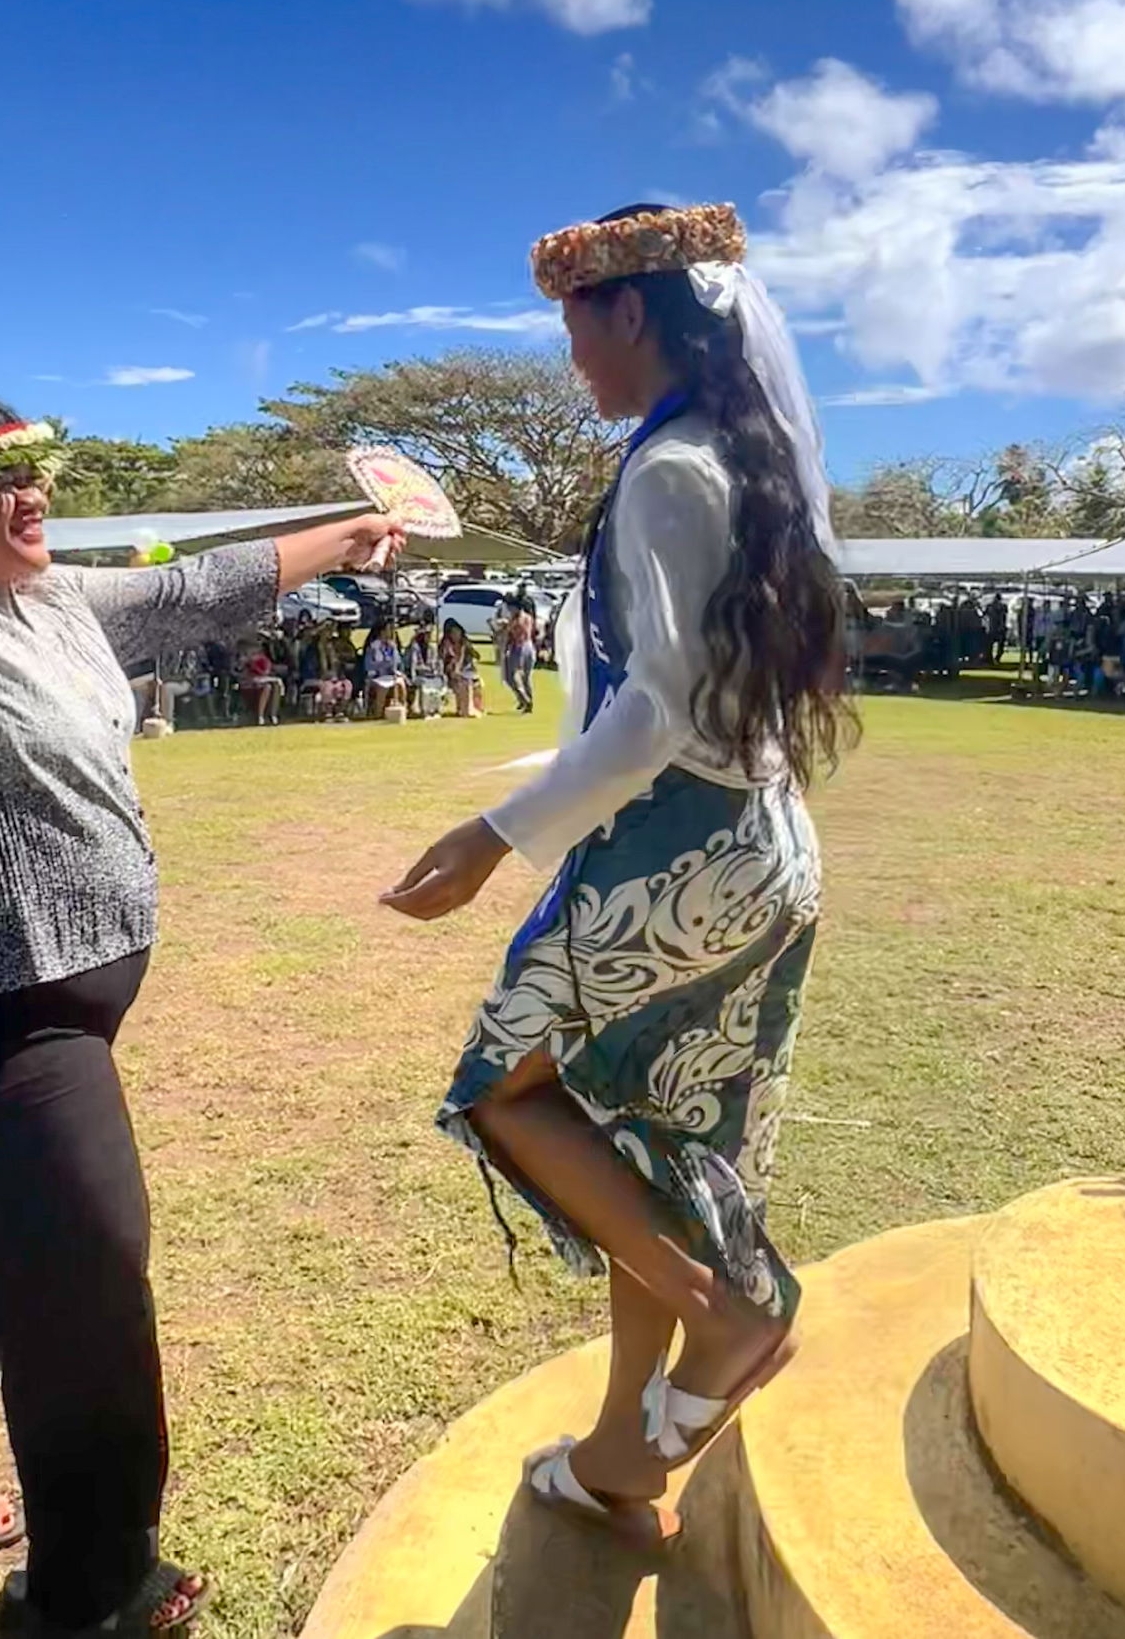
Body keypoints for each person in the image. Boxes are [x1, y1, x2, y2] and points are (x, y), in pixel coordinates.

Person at [0, 387, 399, 1636]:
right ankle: (96, 1590)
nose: (33, 494)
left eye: (36, 470)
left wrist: (352, 533)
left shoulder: (51, 597)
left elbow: (193, 590)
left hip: (27, 1013)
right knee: (89, 1279)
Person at [382, 203, 854, 1544]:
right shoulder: (738, 459)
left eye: (576, 327)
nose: (573, 360)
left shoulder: (665, 472)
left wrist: (495, 835)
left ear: (627, 311)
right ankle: (620, 1453)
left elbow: (651, 712)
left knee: (505, 1092)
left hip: (678, 846)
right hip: (767, 842)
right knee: (655, 1142)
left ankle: (732, 1319)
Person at [503, 590, 538, 714]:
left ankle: (525, 699)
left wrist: (506, 628)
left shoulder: (517, 620)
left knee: (509, 676)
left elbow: (514, 635)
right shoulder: (528, 617)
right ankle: (527, 701)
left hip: (519, 648)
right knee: (526, 678)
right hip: (529, 646)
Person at [439, 623, 484, 718]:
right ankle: (466, 710)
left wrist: (469, 648)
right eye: (453, 633)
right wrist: (455, 670)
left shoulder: (464, 644)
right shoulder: (447, 645)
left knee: (477, 683)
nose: (456, 635)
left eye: (458, 632)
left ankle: (475, 708)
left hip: (465, 672)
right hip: (450, 674)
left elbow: (477, 656)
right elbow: (450, 662)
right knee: (463, 683)